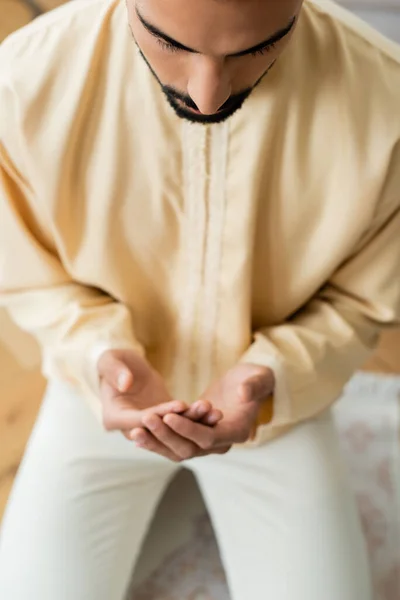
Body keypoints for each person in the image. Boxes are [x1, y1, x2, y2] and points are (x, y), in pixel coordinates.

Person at [0, 0, 399, 598]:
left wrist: (271, 377)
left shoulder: (385, 98)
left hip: (276, 414)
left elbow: (365, 300)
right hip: (96, 405)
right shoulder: (23, 80)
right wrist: (97, 357)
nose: (207, 95)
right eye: (169, 43)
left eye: (256, 50)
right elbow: (26, 273)